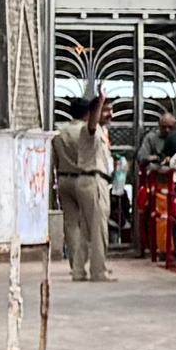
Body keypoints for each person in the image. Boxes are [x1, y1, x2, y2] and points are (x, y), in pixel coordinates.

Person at [51, 99, 115, 282]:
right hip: (89, 178)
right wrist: (100, 100)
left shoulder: (60, 134)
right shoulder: (88, 130)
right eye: (106, 110)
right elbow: (92, 127)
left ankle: (77, 267)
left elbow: (54, 160)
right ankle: (98, 270)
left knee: (74, 226)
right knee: (97, 228)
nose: (110, 115)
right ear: (91, 113)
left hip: (65, 178)